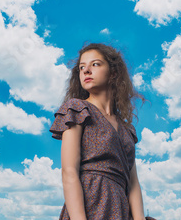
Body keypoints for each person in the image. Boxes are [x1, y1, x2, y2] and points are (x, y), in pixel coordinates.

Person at [50, 42, 150, 220]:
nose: (86, 71)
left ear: (113, 73)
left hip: (121, 207)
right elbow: (69, 171)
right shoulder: (77, 108)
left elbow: (133, 183)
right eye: (82, 67)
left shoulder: (128, 130)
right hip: (91, 203)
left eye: (95, 64)